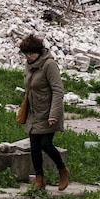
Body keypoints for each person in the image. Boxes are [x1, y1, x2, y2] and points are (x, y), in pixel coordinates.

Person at [19, 33, 69, 190]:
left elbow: (57, 90)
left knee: (46, 144)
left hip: (48, 113)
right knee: (34, 147)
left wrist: (54, 114)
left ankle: (63, 170)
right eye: (26, 54)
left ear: (38, 52)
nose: (28, 57)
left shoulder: (49, 65)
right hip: (34, 113)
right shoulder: (29, 65)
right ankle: (39, 180)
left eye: (31, 54)